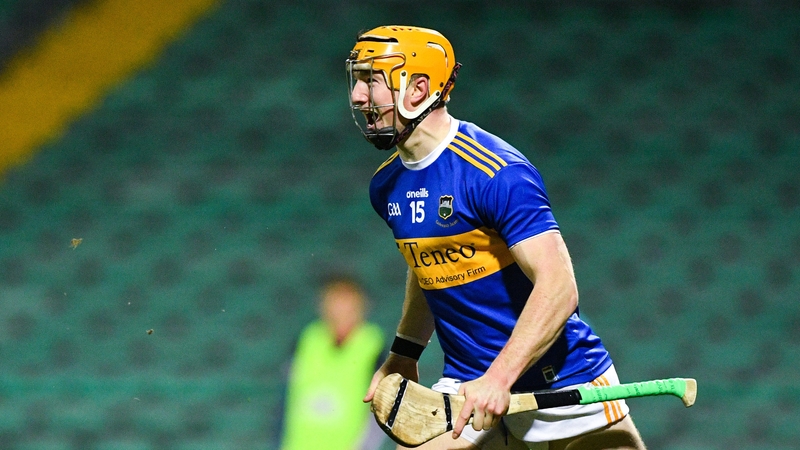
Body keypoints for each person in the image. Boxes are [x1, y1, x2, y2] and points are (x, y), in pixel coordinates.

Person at [347, 26, 647, 450]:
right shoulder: (387, 186)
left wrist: (501, 377)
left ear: (418, 88)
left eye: (372, 80)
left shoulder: (496, 173)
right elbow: (429, 265)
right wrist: (405, 352)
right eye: (358, 80)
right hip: (470, 386)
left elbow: (559, 288)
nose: (359, 96)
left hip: (561, 382)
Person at [280, 275, 387, 450]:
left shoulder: (373, 344)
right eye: (335, 302)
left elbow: (383, 408)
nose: (341, 310)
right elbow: (286, 397)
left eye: (347, 304)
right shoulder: (308, 339)